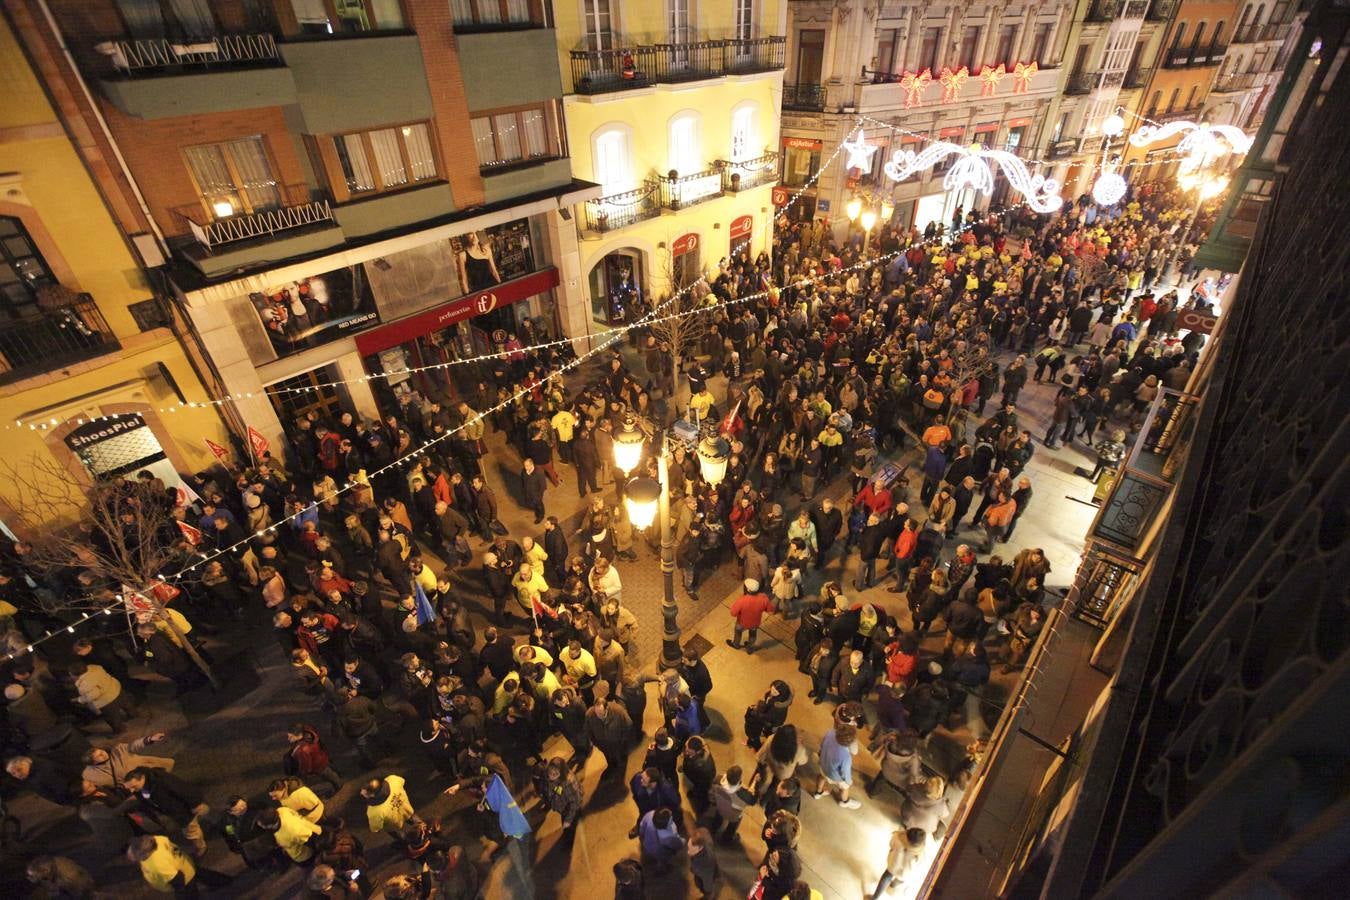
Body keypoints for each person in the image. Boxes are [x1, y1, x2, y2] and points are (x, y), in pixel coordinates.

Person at [869, 827, 928, 899]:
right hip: (905, 873)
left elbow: (891, 844)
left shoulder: (898, 838)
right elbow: (919, 864)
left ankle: (874, 898)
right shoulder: (921, 853)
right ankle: (892, 885)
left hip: (893, 865)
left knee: (886, 877)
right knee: (900, 880)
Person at [813, 722, 861, 809]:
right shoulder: (846, 757)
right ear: (850, 742)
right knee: (845, 788)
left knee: (822, 777)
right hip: (834, 776)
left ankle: (818, 793)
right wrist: (848, 781)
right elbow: (844, 773)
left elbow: (822, 745)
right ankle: (844, 802)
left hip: (823, 763)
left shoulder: (830, 732)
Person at [727, 578, 775, 653]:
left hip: (741, 623)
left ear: (748, 590)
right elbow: (771, 612)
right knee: (752, 635)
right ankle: (749, 648)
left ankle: (736, 644)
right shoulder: (764, 598)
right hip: (755, 623)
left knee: (738, 631)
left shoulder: (742, 600)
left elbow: (733, 613)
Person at [708, 765, 754, 843]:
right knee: (733, 825)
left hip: (720, 807)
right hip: (733, 814)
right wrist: (754, 785)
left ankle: (713, 829)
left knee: (718, 818)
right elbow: (752, 801)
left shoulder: (718, 780)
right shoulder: (743, 794)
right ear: (739, 779)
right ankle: (727, 838)